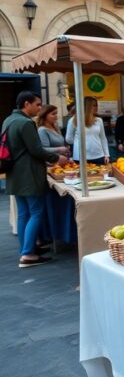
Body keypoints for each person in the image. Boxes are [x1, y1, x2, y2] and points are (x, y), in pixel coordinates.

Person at [3, 92, 69, 267]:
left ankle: (27, 248)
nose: (40, 108)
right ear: (27, 104)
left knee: (24, 214)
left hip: (15, 174)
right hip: (28, 174)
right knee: (36, 213)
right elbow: (36, 150)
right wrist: (57, 159)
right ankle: (28, 254)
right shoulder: (26, 123)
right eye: (38, 104)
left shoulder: (8, 120)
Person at [65, 97, 110, 164]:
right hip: (80, 156)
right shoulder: (73, 120)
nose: (96, 107)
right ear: (87, 106)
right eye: (94, 105)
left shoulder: (99, 120)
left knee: (99, 174)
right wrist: (78, 142)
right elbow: (68, 139)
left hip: (98, 155)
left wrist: (106, 154)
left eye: (96, 105)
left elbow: (103, 138)